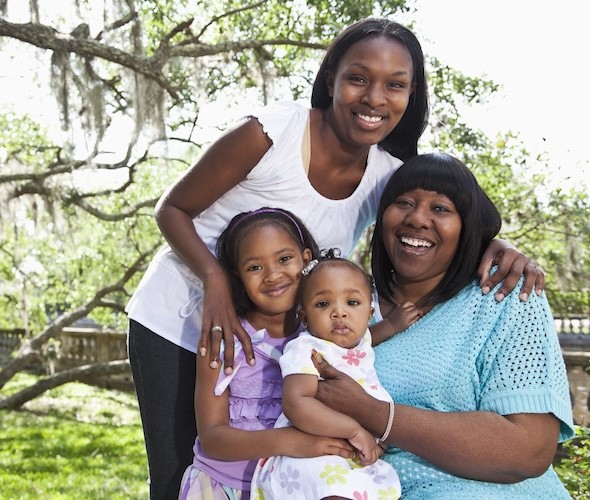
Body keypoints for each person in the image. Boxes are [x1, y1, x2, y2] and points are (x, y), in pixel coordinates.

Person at [125, 17, 544, 499]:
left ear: (411, 97)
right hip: (181, 324)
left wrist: (498, 246)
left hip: (279, 344)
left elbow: (450, 211)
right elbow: (172, 208)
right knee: (186, 471)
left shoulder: (389, 172)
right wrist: (216, 283)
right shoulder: (273, 133)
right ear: (332, 80)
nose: (374, 98)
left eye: (396, 85)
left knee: (265, 475)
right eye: (359, 78)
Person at [312, 152, 574, 499]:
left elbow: (528, 450)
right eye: (404, 202)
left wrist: (374, 413)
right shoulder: (338, 306)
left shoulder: (508, 297)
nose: (418, 218)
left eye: (441, 209)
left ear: (465, 227)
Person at [178, 207, 354, 499]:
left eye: (284, 259)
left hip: (294, 487)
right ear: (238, 277)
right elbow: (211, 438)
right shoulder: (222, 341)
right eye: (254, 267)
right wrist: (292, 442)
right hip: (222, 486)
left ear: (306, 260)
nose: (273, 275)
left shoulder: (326, 339)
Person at [252, 252, 403, 499]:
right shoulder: (306, 349)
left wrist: (394, 325)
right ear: (305, 317)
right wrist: (353, 430)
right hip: (311, 449)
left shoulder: (359, 341)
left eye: (352, 303)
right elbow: (296, 404)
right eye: (323, 304)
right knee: (334, 488)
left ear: (369, 313)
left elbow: (370, 336)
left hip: (351, 453)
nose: (339, 313)